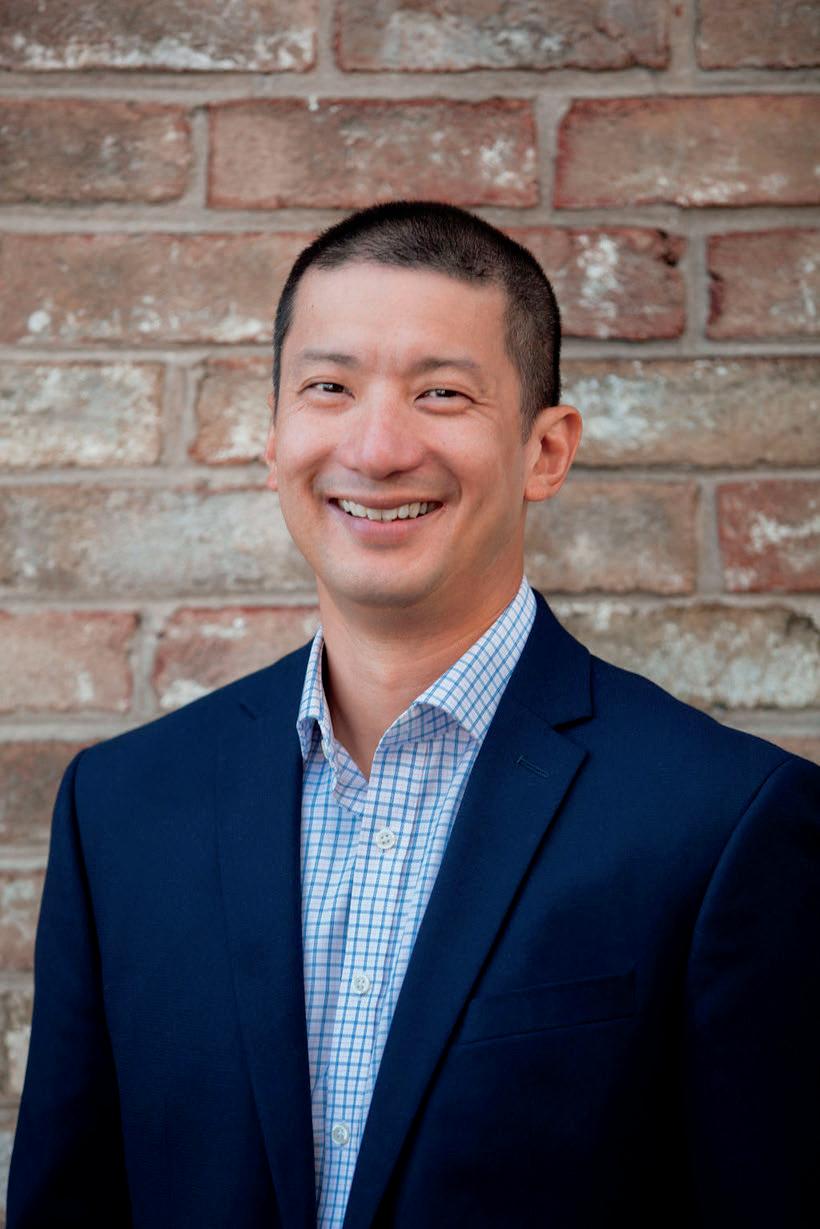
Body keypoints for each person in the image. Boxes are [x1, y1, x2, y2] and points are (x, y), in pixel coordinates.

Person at [8, 200, 819, 1229]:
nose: (379, 446)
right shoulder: (121, 807)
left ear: (546, 449)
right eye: (329, 388)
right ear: (272, 438)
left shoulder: (726, 822)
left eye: (442, 392)